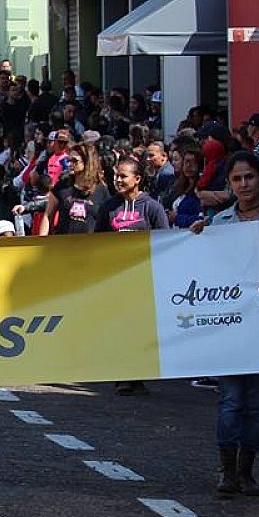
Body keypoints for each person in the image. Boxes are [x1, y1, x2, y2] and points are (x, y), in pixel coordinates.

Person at [191, 151, 259, 497]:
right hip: (230, 324)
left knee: (256, 401)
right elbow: (203, 264)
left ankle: (246, 470)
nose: (244, 185)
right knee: (230, 399)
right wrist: (195, 236)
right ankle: (225, 470)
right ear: (229, 183)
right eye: (237, 179)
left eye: (249, 177)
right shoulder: (220, 223)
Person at [96, 155, 170, 396]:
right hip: (116, 279)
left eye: (123, 176)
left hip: (144, 279)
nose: (118, 180)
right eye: (116, 175)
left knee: (141, 328)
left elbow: (165, 241)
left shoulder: (152, 207)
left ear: (137, 179)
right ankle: (123, 375)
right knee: (120, 327)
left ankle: (139, 374)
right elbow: (96, 243)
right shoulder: (108, 207)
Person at [35, 142, 109, 236]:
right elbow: (48, 215)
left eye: (74, 161)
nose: (69, 164)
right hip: (63, 245)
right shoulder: (62, 186)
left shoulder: (101, 190)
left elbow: (106, 221)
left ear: (87, 162)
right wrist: (43, 241)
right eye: (68, 160)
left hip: (90, 246)